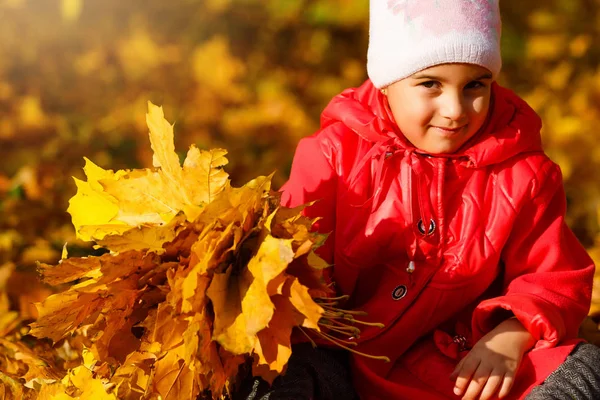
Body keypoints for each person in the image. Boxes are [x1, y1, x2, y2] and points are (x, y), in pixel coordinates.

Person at [241, 1, 599, 399]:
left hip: (461, 364)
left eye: (475, 85)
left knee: (581, 369)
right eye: (431, 84)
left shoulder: (523, 172)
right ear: (386, 81)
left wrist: (513, 333)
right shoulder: (333, 157)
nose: (455, 110)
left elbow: (553, 277)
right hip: (338, 354)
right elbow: (282, 258)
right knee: (278, 373)